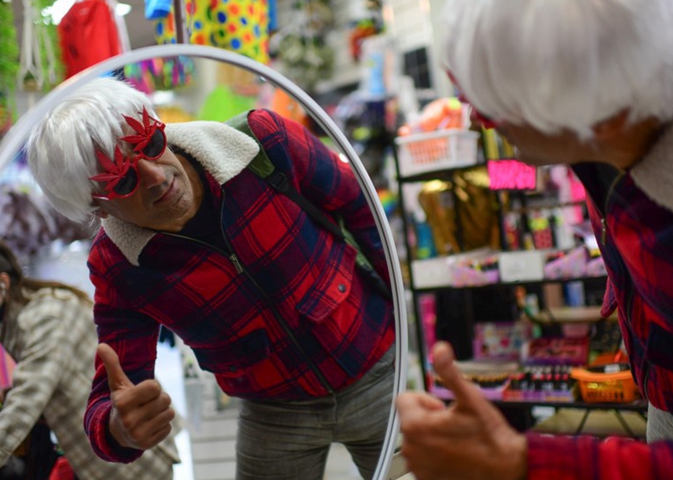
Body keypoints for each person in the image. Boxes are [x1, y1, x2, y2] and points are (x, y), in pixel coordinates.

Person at [396, 0, 673, 479]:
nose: (477, 118)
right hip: (669, 385)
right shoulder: (630, 87)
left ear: (603, 120)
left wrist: (519, 462)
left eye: (500, 103)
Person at [25, 77, 395, 480]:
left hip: (378, 370)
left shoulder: (262, 144)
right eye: (124, 181)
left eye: (150, 144)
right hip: (275, 414)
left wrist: (396, 299)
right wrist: (119, 429)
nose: (156, 176)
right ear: (98, 210)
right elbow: (114, 390)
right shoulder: (118, 265)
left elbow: (361, 207)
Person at [0, 241, 179, 480]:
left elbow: (31, 390)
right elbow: (51, 376)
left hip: (130, 444)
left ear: (3, 283)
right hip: (111, 438)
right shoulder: (19, 323)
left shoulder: (45, 317)